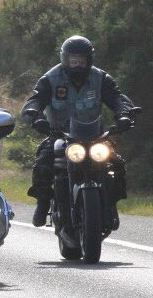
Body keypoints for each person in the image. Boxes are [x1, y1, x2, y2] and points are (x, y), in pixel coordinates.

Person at [20, 36, 136, 227]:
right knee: (43, 163)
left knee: (117, 164)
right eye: (73, 61)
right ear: (65, 59)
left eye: (81, 61)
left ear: (89, 60)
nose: (77, 65)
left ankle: (111, 206)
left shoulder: (101, 78)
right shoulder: (50, 79)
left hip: (95, 136)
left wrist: (124, 115)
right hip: (61, 135)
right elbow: (34, 101)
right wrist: (36, 117)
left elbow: (117, 98)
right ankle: (42, 204)